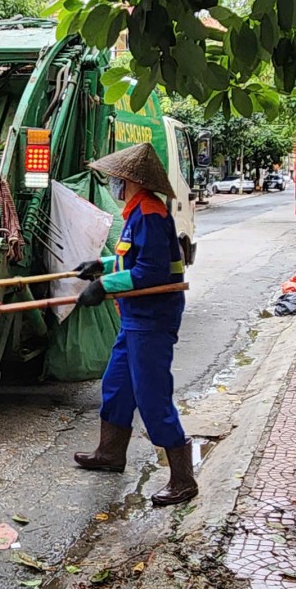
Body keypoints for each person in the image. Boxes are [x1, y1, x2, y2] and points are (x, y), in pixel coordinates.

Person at [70, 143, 197, 508]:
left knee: (152, 395)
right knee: (116, 384)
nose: (113, 183)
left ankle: (183, 479)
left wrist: (105, 286)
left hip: (153, 318)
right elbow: (131, 258)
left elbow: (151, 272)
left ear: (129, 181)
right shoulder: (138, 211)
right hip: (135, 316)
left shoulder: (152, 214)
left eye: (117, 179)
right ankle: (110, 453)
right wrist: (101, 264)